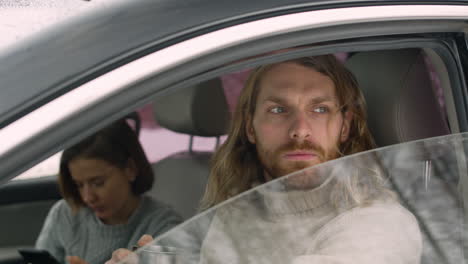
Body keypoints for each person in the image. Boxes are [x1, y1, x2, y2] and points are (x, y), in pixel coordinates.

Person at [109, 54, 422, 264]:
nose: (300, 130)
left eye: (320, 109)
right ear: (250, 127)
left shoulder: (380, 226)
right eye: (278, 110)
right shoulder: (239, 206)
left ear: (345, 126)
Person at [35, 119, 182, 264]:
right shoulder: (65, 214)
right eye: (79, 185)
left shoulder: (164, 227)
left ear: (130, 169)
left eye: (98, 183)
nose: (87, 197)